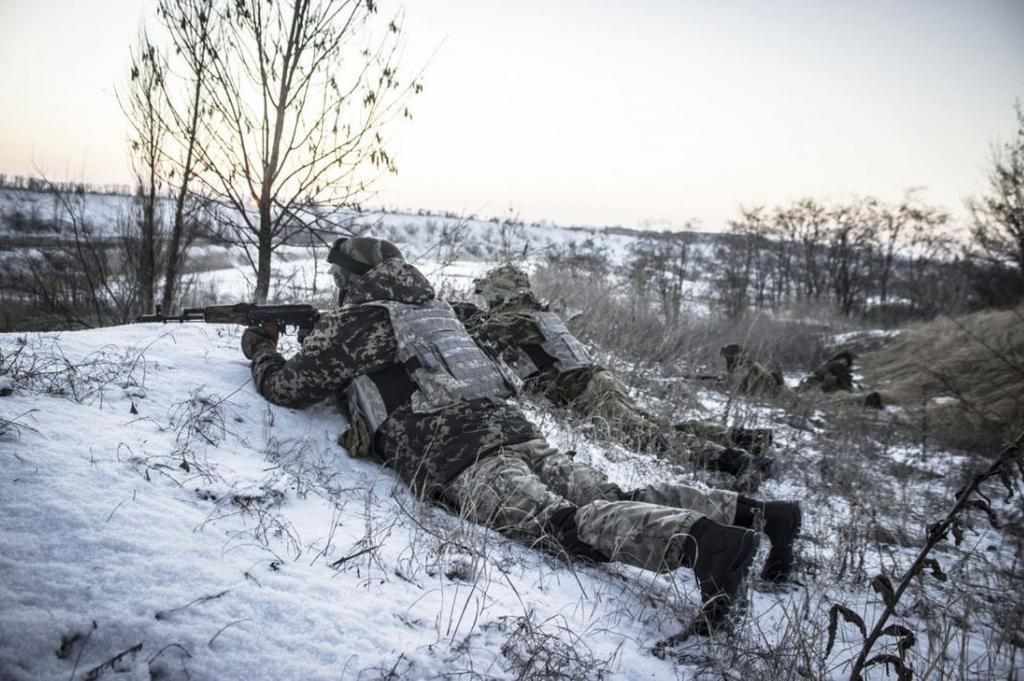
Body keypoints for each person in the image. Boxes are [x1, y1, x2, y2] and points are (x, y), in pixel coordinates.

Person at [241, 238, 801, 636]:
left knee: (562, 527)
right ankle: (759, 515)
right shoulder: (434, 309)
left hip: (460, 451)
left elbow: (291, 387)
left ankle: (708, 547)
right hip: (516, 431)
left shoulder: (360, 321)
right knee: (610, 495)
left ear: (348, 280)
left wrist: (263, 349)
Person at [452, 265, 775, 484]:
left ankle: (735, 461)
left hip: (586, 391)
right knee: (655, 427)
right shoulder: (538, 312)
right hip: (597, 381)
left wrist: (454, 314)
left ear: (501, 294)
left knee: (651, 438)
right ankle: (745, 439)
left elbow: (479, 334)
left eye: (488, 295)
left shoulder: (516, 318)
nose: (485, 300)